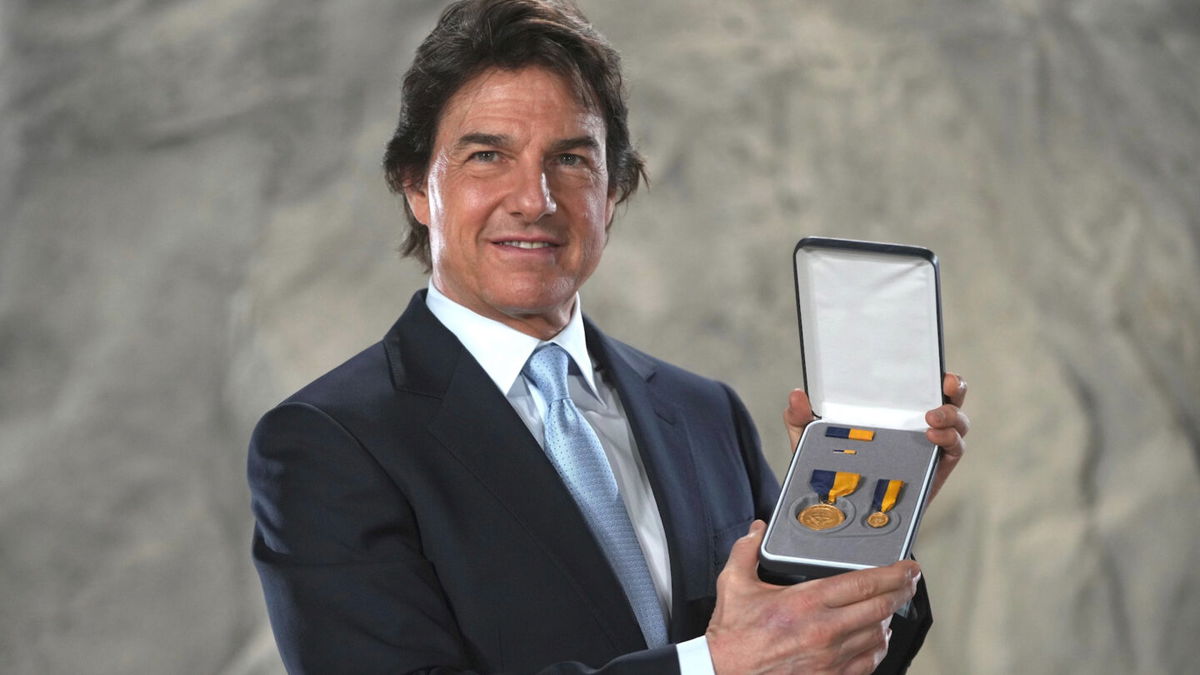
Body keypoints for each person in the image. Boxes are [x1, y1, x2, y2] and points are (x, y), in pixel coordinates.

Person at [247, 1, 970, 673]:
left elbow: (799, 652)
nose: (534, 200)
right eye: (486, 156)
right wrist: (711, 667)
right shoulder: (326, 445)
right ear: (415, 185)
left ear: (614, 190)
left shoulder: (704, 413)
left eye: (571, 158)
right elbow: (744, 658)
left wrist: (867, 526)